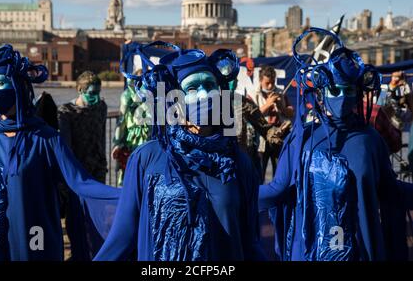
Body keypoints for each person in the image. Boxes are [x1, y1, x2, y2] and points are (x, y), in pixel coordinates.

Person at [94, 43, 264, 261]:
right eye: (192, 88)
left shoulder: (238, 162)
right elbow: (122, 237)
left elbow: (249, 242)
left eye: (209, 85)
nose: (204, 95)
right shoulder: (147, 158)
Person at [259, 28, 413, 261]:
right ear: (321, 92)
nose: (341, 97)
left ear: (358, 92)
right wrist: (237, 193)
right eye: (334, 89)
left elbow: (391, 191)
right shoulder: (301, 139)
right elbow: (277, 190)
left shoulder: (370, 141)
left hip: (361, 251)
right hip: (310, 249)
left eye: (348, 90)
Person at [0, 45, 119, 261]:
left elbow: (82, 184)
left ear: (17, 86)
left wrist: (129, 194)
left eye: (0, 84)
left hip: (35, 239)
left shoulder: (46, 139)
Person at [57, 71, 108, 260]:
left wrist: (103, 162)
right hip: (77, 174)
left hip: (97, 169)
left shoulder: (101, 107)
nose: (95, 98)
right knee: (76, 217)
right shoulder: (66, 112)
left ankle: (97, 252)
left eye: (98, 92)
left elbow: (102, 136)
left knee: (99, 216)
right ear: (80, 90)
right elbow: (66, 147)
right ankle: (77, 254)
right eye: (91, 93)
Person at [112, 69, 151, 186]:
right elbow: (121, 121)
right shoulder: (127, 97)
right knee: (129, 177)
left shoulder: (153, 96)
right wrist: (117, 143)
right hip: (131, 142)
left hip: (148, 142)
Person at [256, 66, 293, 182]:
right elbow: (251, 115)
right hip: (262, 138)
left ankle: (278, 198)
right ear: (260, 81)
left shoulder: (280, 93)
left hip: (279, 136)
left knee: (279, 172)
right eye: (267, 83)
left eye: (273, 83)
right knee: (260, 172)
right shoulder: (253, 94)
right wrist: (268, 104)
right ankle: (259, 198)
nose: (271, 86)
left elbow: (290, 113)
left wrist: (281, 107)